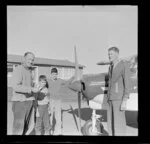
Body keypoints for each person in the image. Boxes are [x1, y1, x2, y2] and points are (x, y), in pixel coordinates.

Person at [11, 52, 39, 135]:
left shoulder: (29, 71)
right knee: (18, 130)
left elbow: (28, 87)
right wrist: (31, 89)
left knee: (26, 129)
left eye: (32, 60)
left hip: (28, 102)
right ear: (24, 59)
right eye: (29, 59)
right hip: (20, 102)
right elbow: (15, 86)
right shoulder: (19, 69)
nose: (31, 61)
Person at [107, 47, 130, 136]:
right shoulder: (110, 67)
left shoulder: (123, 65)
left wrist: (124, 100)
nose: (109, 56)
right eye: (108, 54)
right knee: (110, 124)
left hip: (118, 98)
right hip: (110, 98)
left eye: (111, 54)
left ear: (117, 54)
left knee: (119, 125)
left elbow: (127, 83)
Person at [48, 67, 74, 135]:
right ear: (51, 74)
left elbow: (67, 82)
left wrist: (73, 77)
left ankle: (58, 131)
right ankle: (50, 130)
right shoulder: (48, 81)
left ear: (57, 74)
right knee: (50, 116)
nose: (54, 75)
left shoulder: (60, 80)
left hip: (58, 101)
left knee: (58, 116)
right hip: (50, 100)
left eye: (56, 74)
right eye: (53, 74)